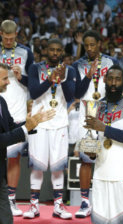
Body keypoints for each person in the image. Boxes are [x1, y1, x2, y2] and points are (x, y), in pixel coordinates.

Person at [84, 64, 123, 224]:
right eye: (110, 78)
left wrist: (105, 129)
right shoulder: (97, 105)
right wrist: (90, 150)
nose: (113, 83)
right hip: (101, 175)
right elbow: (93, 137)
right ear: (104, 80)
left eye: (117, 79)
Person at [23, 38, 76, 219]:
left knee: (57, 168)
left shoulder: (70, 70)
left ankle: (58, 206)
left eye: (58, 50)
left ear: (62, 52)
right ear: (46, 50)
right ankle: (34, 206)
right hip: (39, 122)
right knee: (37, 167)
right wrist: (49, 79)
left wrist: (61, 79)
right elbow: (34, 92)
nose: (54, 53)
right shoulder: (35, 68)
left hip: (60, 123)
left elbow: (70, 95)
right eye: (51, 50)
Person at [0, 63, 55, 224]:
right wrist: (25, 128)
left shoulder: (1, 101)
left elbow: (10, 128)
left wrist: (31, 123)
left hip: (0, 176)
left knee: (6, 219)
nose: (9, 82)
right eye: (4, 79)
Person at [72, 30, 119, 218]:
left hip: (107, 111)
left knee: (108, 157)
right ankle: (85, 202)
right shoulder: (78, 65)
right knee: (86, 160)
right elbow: (76, 93)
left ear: (100, 43)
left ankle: (106, 201)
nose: (90, 48)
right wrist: (88, 76)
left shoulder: (111, 62)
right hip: (89, 112)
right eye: (87, 45)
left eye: (93, 44)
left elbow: (117, 86)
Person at [0, 19, 34, 216]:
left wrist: (22, 77)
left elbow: (34, 83)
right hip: (0, 105)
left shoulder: (26, 52)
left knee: (14, 156)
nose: (9, 42)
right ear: (1, 34)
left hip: (18, 108)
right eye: (5, 39)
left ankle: (11, 199)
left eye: (12, 39)